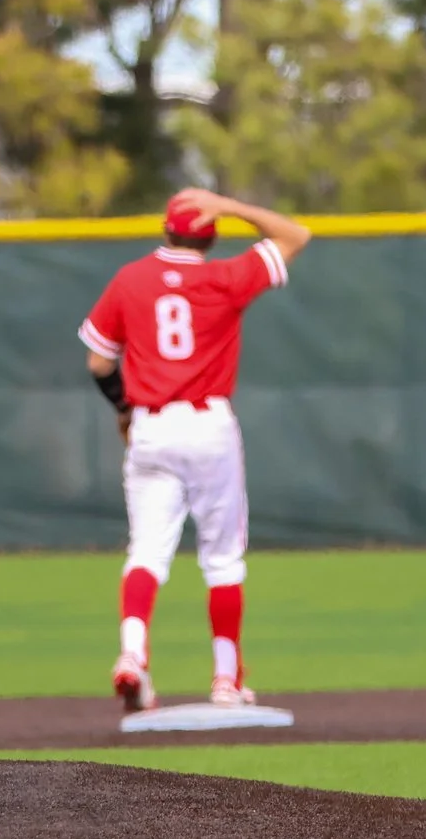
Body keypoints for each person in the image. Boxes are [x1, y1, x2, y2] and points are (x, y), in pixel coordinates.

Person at [78, 185, 309, 712]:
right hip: (209, 427)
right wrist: (230, 205)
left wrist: (123, 411)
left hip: (151, 428)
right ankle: (227, 679)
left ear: (166, 229)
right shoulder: (225, 276)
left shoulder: (130, 278)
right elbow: (297, 235)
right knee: (223, 559)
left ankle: (133, 656)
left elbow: (98, 361)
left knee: (146, 552)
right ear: (210, 235)